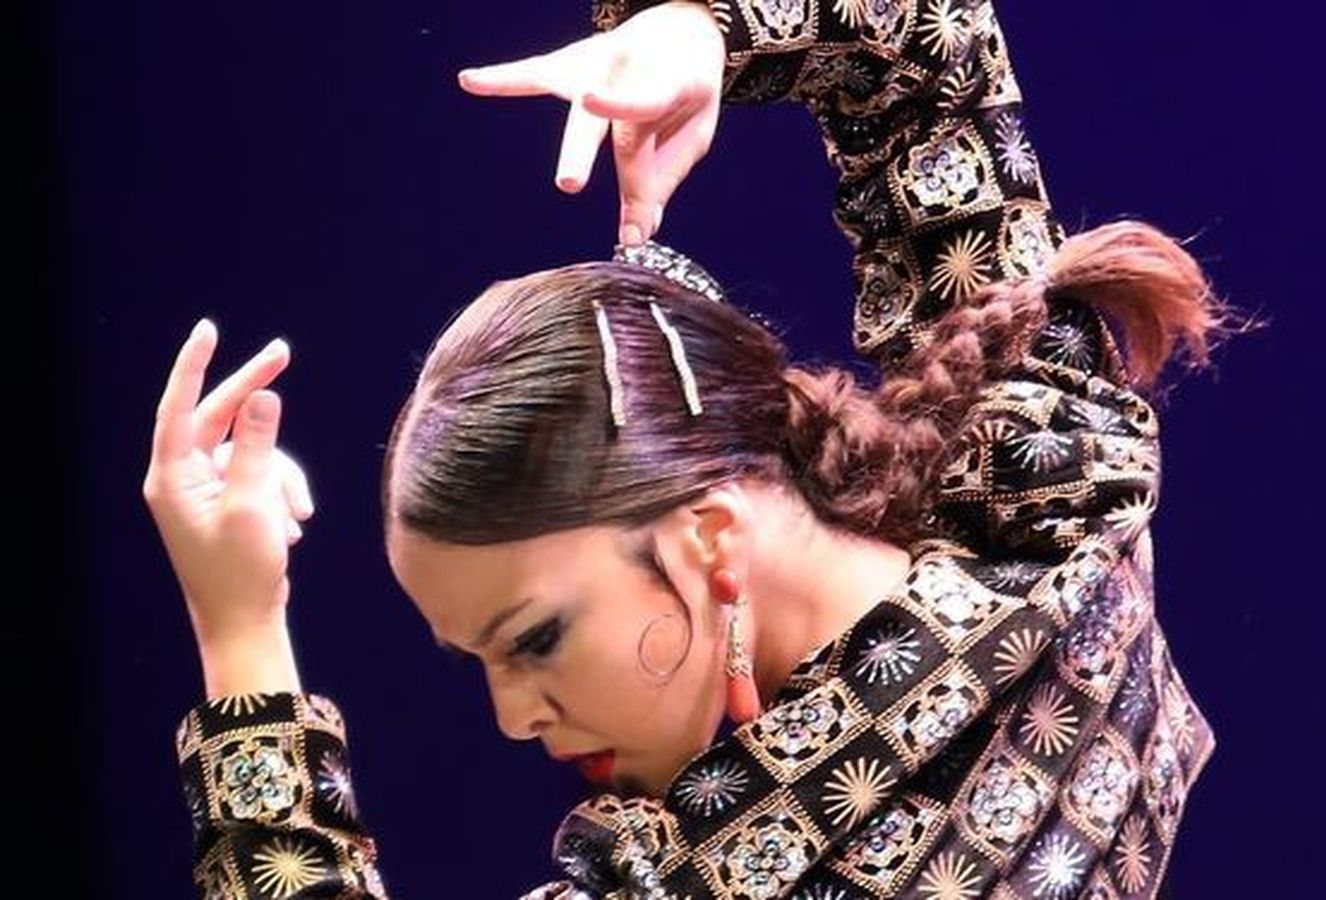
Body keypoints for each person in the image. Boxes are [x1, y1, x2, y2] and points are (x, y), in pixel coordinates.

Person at [144, 1, 1242, 897]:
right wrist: (705, 30)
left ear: (711, 533)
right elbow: (925, 52)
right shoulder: (1053, 499)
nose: (513, 717)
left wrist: (238, 628)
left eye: (532, 640)